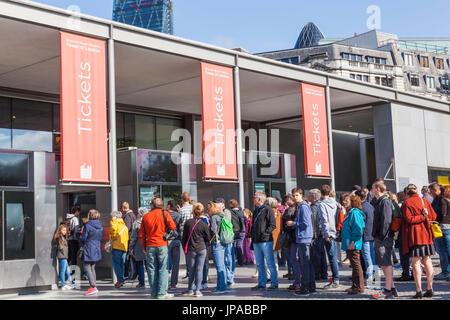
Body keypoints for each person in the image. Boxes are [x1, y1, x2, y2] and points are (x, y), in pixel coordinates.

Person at [401, 184, 437, 298]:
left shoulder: (407, 203)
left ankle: (419, 291)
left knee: (416, 263)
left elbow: (409, 219)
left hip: (414, 236)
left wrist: (422, 216)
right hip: (426, 235)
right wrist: (424, 216)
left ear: (407, 193)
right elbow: (433, 216)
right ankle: (430, 288)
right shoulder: (424, 201)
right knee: (427, 261)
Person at [139, 197, 176, 299]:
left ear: (152, 205)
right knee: (163, 269)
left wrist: (144, 247)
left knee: (151, 269)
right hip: (162, 244)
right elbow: (173, 227)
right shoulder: (165, 214)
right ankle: (162, 293)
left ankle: (154, 292)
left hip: (150, 245)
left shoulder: (146, 216)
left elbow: (141, 235)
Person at [286, 188, 316, 296]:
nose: (294, 197)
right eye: (293, 195)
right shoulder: (301, 206)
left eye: (296, 195)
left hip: (304, 238)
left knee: (305, 264)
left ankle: (305, 289)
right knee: (307, 264)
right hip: (304, 238)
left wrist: (293, 223)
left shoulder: (303, 207)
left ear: (301, 195)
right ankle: (311, 288)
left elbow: (306, 223)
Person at [371, 180, 397, 299]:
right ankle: (391, 288)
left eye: (372, 188)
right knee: (383, 263)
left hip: (384, 237)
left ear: (378, 189)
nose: (371, 190)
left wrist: (381, 237)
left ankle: (387, 290)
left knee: (386, 263)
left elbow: (386, 221)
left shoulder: (385, 201)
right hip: (380, 237)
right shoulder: (378, 201)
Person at [182, 203, 211, 297]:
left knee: (191, 270)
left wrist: (184, 248)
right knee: (199, 270)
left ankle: (190, 289)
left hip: (191, 249)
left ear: (193, 211)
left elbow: (184, 238)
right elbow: (208, 237)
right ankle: (197, 291)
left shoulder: (188, 223)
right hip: (201, 248)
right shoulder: (203, 224)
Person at [251, 192, 278, 291]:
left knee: (270, 263)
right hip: (257, 240)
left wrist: (265, 233)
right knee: (259, 263)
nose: (253, 199)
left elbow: (272, 225)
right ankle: (261, 283)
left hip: (266, 241)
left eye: (254, 198)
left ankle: (274, 283)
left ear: (259, 200)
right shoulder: (256, 210)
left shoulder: (268, 209)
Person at [341, 195, 366, 295]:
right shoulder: (350, 212)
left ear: (352, 202)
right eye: (344, 200)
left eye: (346, 200)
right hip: (350, 242)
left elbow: (358, 229)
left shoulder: (354, 213)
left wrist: (353, 242)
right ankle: (355, 285)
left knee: (356, 264)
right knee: (354, 264)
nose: (344, 202)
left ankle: (359, 288)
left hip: (353, 243)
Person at [319, 185, 340, 289]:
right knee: (333, 257)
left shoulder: (322, 204)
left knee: (332, 258)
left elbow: (324, 219)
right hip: (335, 232)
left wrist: (326, 234)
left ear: (321, 193)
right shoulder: (335, 203)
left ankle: (336, 280)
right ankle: (335, 279)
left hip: (328, 233)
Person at [356, 188, 378, 284]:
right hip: (371, 233)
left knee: (367, 256)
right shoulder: (369, 205)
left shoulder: (362, 207)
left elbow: (361, 223)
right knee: (371, 255)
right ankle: (375, 275)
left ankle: (370, 276)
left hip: (365, 234)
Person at [79, 209, 103, 296]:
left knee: (86, 267)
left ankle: (93, 286)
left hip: (89, 247)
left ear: (90, 216)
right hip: (96, 247)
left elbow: (84, 238)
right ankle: (93, 286)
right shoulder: (100, 226)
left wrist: (81, 234)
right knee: (92, 267)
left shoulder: (88, 225)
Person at [209, 202, 230, 294]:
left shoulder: (214, 217)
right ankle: (223, 285)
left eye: (209, 209)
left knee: (219, 266)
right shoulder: (223, 215)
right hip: (224, 242)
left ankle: (221, 288)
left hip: (217, 243)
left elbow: (213, 230)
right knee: (223, 265)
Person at [214, 198, 235, 289]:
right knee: (223, 261)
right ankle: (227, 278)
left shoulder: (227, 212)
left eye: (217, 203)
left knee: (228, 259)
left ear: (222, 203)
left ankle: (230, 278)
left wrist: (218, 214)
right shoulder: (216, 213)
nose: (216, 205)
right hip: (220, 240)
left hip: (227, 238)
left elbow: (226, 222)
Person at [284, 192, 302, 291]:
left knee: (295, 260)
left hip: (295, 238)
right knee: (294, 260)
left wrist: (289, 224)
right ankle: (297, 281)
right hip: (293, 238)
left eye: (289, 199)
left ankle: (298, 282)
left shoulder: (297, 208)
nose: (287, 201)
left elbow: (292, 223)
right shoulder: (293, 208)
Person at [429, 183, 447, 280]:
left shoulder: (441, 200)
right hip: (438, 226)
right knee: (441, 251)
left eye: (431, 191)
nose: (430, 193)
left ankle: (446, 271)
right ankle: (445, 271)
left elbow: (441, 214)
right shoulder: (437, 199)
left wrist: (434, 221)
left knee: (443, 251)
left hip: (440, 227)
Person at [309, 189, 328, 281]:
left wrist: (313, 234)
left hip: (316, 234)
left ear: (313, 197)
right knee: (322, 254)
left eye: (309, 195)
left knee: (316, 255)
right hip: (321, 233)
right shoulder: (321, 205)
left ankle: (317, 274)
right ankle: (324, 273)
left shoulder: (313, 207)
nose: (308, 197)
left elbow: (313, 222)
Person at [129, 207, 148, 288]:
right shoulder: (149, 221)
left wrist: (131, 247)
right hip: (148, 244)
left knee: (140, 264)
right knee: (149, 265)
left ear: (140, 214)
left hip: (139, 245)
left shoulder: (136, 223)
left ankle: (142, 282)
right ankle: (152, 281)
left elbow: (133, 236)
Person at [109, 211, 129, 288]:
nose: (111, 218)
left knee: (117, 264)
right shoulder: (124, 226)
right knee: (121, 264)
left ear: (116, 217)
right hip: (124, 247)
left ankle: (120, 280)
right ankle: (121, 279)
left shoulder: (115, 223)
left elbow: (113, 234)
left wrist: (113, 222)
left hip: (116, 247)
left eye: (112, 216)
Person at [166, 200, 182, 290]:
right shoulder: (179, 215)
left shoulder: (165, 215)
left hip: (167, 241)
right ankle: (173, 284)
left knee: (166, 263)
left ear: (168, 206)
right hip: (176, 240)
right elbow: (181, 228)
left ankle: (166, 281)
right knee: (176, 263)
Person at [53, 224, 75, 290]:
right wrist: (62, 249)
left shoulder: (63, 237)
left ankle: (72, 283)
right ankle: (63, 284)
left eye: (65, 230)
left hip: (64, 256)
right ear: (60, 230)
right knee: (63, 271)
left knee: (67, 271)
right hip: (62, 256)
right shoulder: (59, 238)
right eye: (63, 230)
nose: (65, 231)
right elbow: (60, 247)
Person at [121, 201, 137, 281]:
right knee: (131, 257)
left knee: (128, 257)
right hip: (133, 238)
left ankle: (127, 274)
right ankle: (133, 273)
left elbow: (126, 228)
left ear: (124, 208)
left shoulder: (127, 216)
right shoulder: (133, 215)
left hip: (128, 239)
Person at [179, 192, 194, 279]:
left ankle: (189, 271)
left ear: (182, 199)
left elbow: (180, 222)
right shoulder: (193, 208)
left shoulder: (181, 210)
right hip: (193, 232)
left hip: (184, 233)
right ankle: (192, 270)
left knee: (186, 252)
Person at [229, 199, 246, 267]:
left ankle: (234, 261)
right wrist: (242, 229)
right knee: (239, 246)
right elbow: (242, 221)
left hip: (234, 231)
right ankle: (240, 261)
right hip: (241, 231)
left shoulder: (230, 212)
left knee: (233, 247)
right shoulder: (241, 211)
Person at [268, 197, 282, 274]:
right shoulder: (278, 213)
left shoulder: (272, 213)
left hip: (271, 238)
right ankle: (274, 274)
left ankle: (271, 275)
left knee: (270, 258)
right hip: (275, 238)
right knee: (273, 257)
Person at [439, 186, 450, 282]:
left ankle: (447, 272)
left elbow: (443, 213)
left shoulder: (443, 201)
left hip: (444, 227)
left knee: (444, 251)